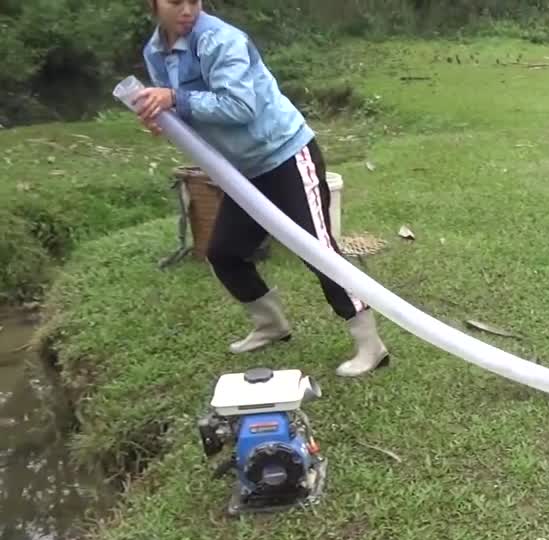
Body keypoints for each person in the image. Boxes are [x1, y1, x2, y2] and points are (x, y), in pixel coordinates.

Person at [130, 0, 390, 378]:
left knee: (319, 252)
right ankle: (271, 325)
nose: (187, 9)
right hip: (243, 170)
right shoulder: (155, 52)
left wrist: (175, 99)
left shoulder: (221, 40)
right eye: (175, 1)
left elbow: (240, 107)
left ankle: (372, 347)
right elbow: (180, 113)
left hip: (285, 154)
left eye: (193, 0)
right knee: (224, 253)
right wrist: (164, 119)